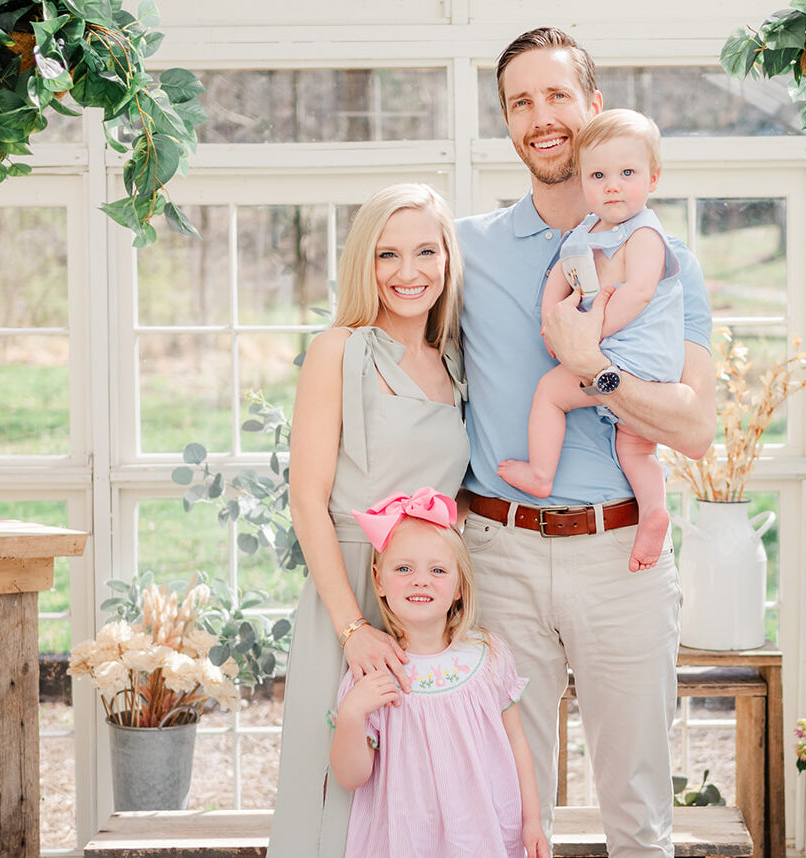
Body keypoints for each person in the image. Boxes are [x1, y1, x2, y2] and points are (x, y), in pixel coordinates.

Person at [455, 27, 716, 858]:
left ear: (593, 108)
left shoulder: (667, 259)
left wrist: (592, 367)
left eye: (556, 95)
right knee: (502, 808)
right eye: (519, 103)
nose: (540, 117)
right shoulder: (464, 251)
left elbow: (695, 429)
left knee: (637, 811)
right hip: (495, 553)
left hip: (620, 561)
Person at [267, 184, 469, 857]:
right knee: (340, 794)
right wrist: (351, 628)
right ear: (365, 262)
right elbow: (307, 500)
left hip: (426, 600)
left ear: (447, 260)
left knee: (421, 792)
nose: (407, 272)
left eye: (424, 252)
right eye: (387, 254)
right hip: (349, 591)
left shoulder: (454, 363)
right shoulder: (340, 351)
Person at [498, 109, 682, 573]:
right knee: (634, 446)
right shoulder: (584, 233)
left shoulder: (645, 234)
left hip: (631, 354)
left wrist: (585, 336)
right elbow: (557, 280)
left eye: (627, 173)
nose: (613, 185)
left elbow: (639, 292)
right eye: (598, 175)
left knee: (549, 394)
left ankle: (541, 474)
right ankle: (654, 510)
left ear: (653, 179)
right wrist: (548, 320)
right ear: (581, 181)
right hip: (617, 356)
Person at [330, 488, 548, 858]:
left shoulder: (488, 656)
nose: (420, 580)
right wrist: (352, 714)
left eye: (438, 570)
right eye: (403, 568)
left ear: (460, 585)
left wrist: (532, 820)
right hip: (407, 837)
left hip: (480, 832)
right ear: (379, 581)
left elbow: (516, 743)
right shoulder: (375, 670)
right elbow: (352, 778)